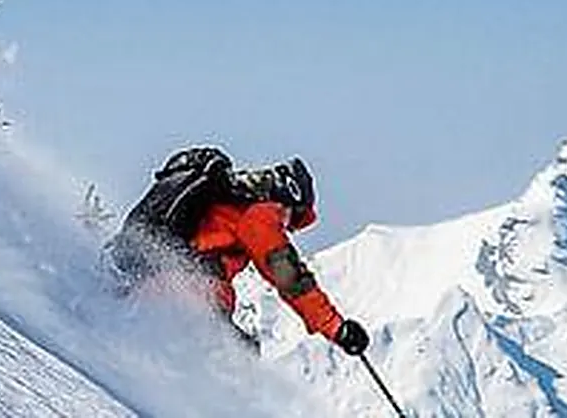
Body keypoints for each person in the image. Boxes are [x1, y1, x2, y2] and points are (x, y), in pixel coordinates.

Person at [108, 148, 370, 356]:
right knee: (237, 355)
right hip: (192, 292)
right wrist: (336, 328)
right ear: (288, 198)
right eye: (293, 219)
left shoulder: (228, 200)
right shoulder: (260, 214)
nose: (287, 228)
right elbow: (287, 275)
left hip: (155, 279)